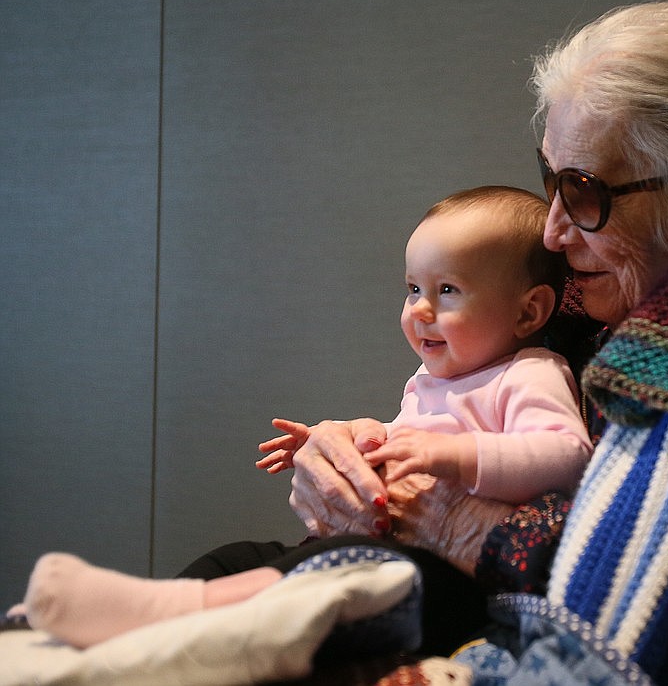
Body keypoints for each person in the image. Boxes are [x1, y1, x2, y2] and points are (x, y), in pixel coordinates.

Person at [286, 1, 668, 684]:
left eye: (584, 192)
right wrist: (347, 457)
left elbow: (633, 583)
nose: (552, 232)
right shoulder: (591, 296)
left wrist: (447, 521)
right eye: (550, 181)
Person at [10, 185, 592, 651]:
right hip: (381, 556)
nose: (419, 310)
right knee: (244, 554)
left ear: (528, 311)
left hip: (447, 585)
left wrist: (456, 457)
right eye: (412, 288)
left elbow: (566, 455)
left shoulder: (529, 371)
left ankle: (160, 618)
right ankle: (136, 611)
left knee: (335, 568)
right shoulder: (430, 382)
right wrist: (344, 443)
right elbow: (398, 448)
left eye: (447, 290)